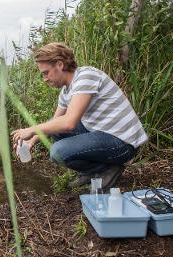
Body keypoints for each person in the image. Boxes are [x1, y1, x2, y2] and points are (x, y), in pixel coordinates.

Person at [11, 42, 148, 189]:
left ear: (59, 65)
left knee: (57, 152)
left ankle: (107, 170)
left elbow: (69, 122)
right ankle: (91, 172)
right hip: (104, 134)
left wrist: (32, 129)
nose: (45, 79)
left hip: (123, 143)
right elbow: (56, 121)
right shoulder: (66, 91)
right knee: (55, 130)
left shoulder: (86, 76)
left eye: (46, 73)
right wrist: (31, 141)